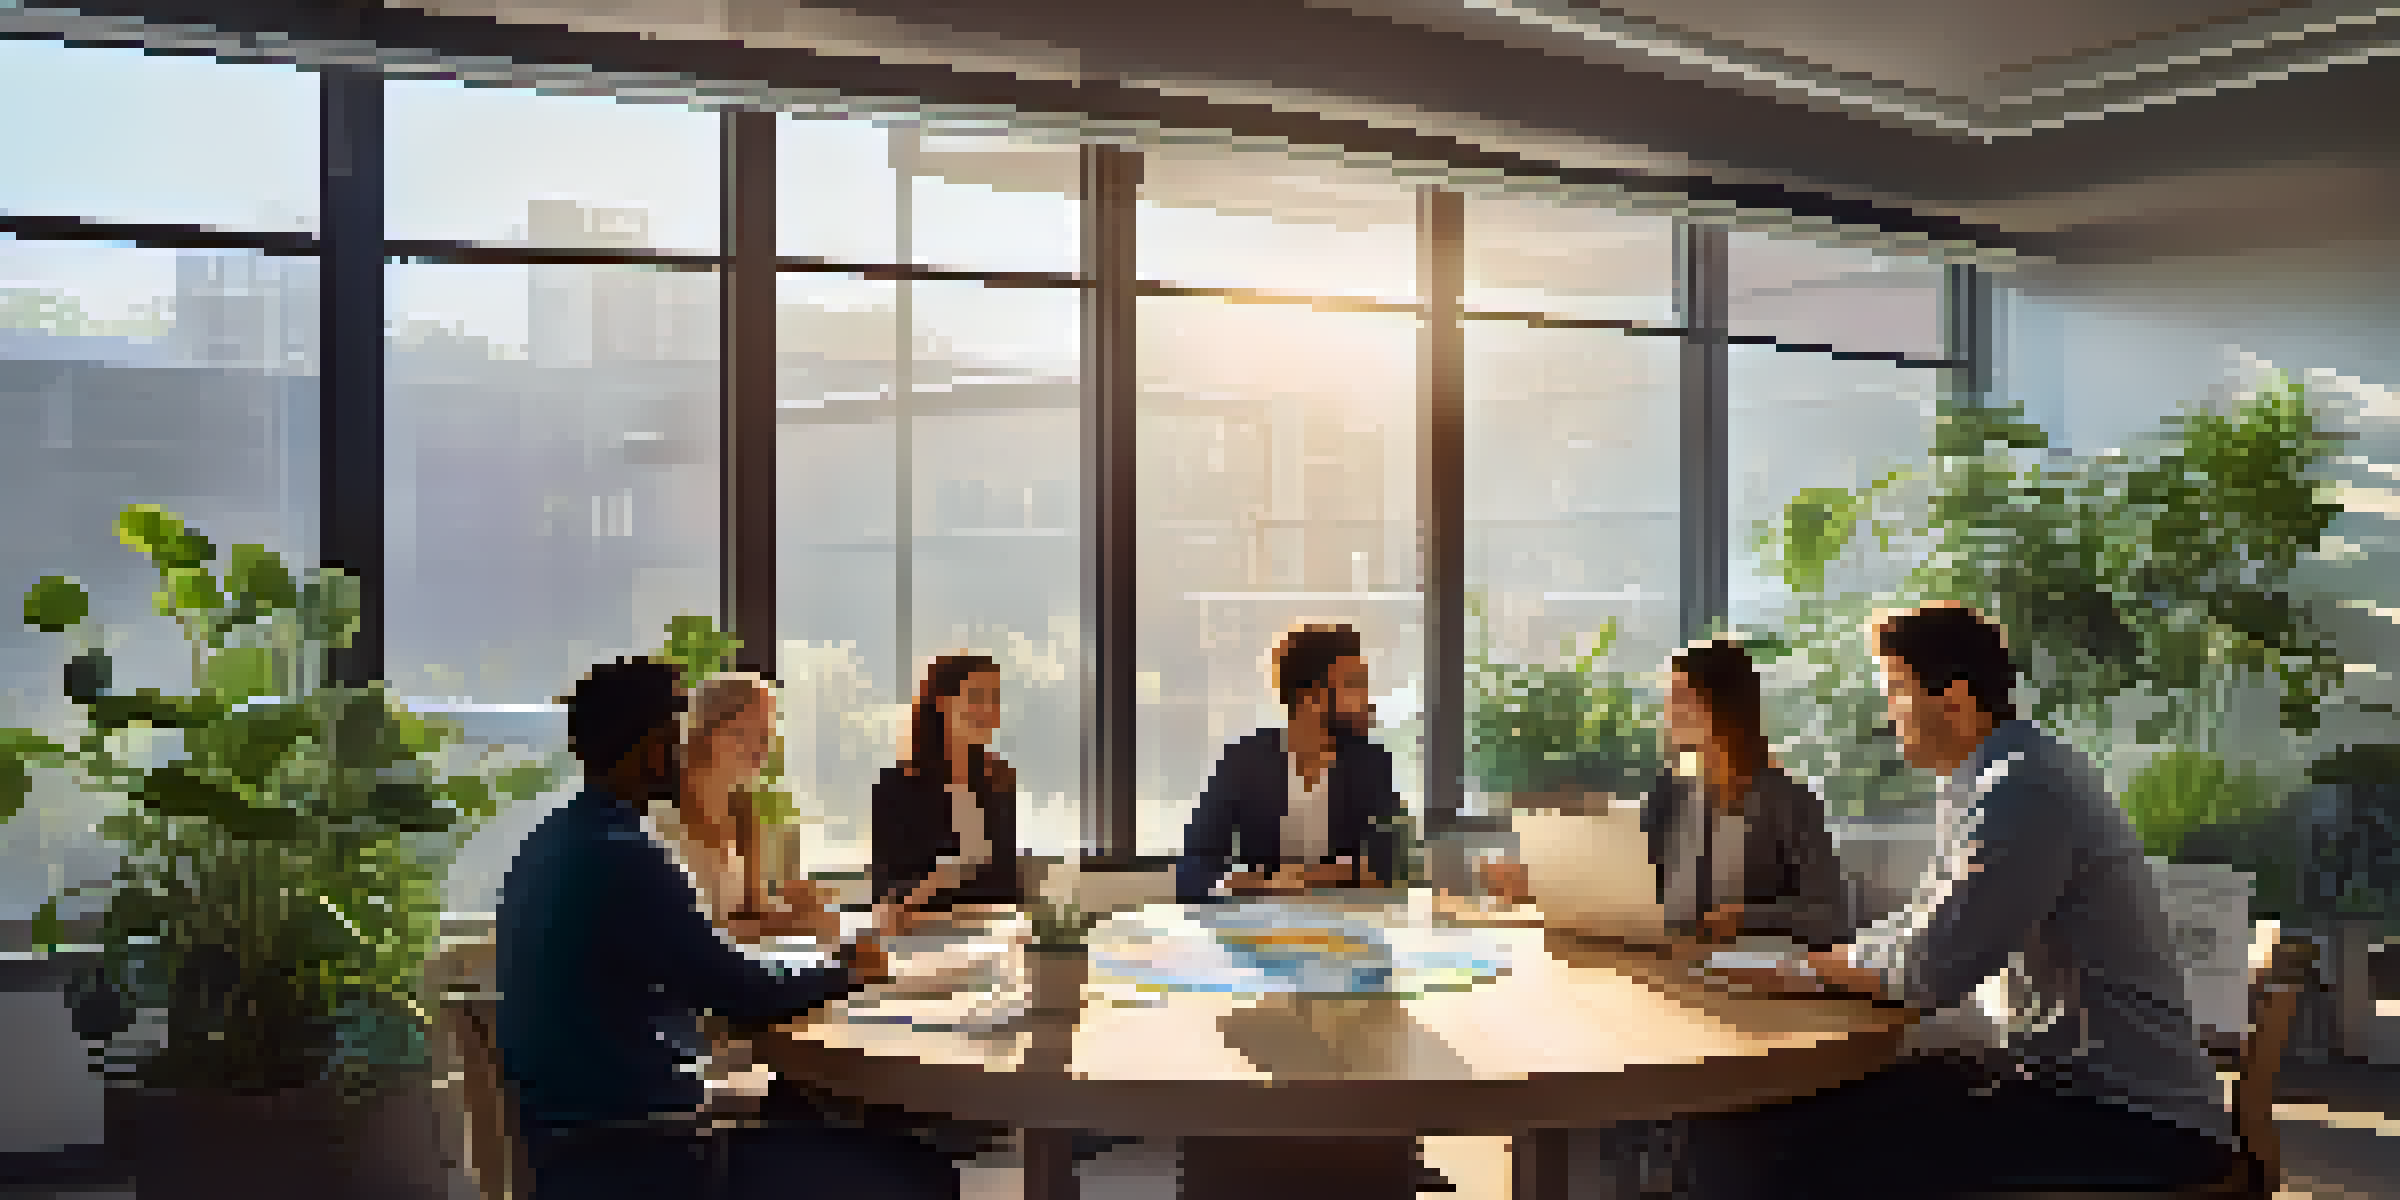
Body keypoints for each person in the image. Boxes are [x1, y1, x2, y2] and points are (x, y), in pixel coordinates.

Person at [1679, 603, 2242, 1199]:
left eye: (1897, 690)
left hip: (2130, 1122)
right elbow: (1922, 924)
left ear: (1954, 698)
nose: (1887, 711)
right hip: (2062, 1086)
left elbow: (1930, 967)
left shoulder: (2022, 791)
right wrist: (1823, 963)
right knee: (1769, 1122)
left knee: (1781, 1153)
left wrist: (1809, 968)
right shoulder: (1992, 780)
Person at [495, 657, 958, 1200]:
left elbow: (717, 971)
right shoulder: (627, 857)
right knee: (921, 1175)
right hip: (650, 1157)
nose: (692, 745)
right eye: (684, 730)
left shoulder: (551, 842)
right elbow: (745, 993)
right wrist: (848, 970)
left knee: (809, 1114)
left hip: (576, 1150)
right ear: (653, 747)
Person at [1478, 638, 1846, 950]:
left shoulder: (1788, 800)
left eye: (1683, 697)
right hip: (1674, 961)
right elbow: (1632, 880)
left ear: (1727, 707)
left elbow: (1832, 915)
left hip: (1748, 972)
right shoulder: (1674, 787)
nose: (1669, 711)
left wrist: (1749, 918)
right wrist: (1540, 882)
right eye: (1670, 698)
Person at [1177, 622, 1401, 904]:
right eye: (1354, 685)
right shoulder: (1243, 762)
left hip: (1349, 932)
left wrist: (1305, 878)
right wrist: (1237, 882)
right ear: (1310, 697)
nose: (1368, 701)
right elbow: (1193, 868)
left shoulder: (1371, 764)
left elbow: (1393, 864)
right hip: (1260, 932)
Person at [658, 671, 836, 941]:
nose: (763, 747)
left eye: (768, 733)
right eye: (747, 732)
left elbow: (750, 918)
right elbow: (692, 937)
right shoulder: (661, 824)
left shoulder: (743, 815)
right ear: (706, 732)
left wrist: (802, 911)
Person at [871, 654, 1021, 936]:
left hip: (992, 939)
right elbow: (887, 899)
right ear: (941, 702)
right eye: (976, 696)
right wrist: (937, 881)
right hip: (922, 939)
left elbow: (1006, 885)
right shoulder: (896, 787)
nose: (988, 710)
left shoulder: (999, 779)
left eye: (995, 698)